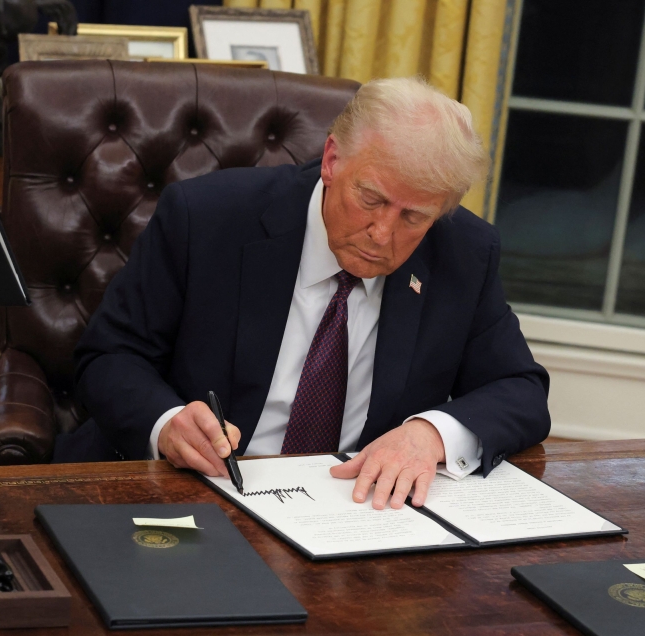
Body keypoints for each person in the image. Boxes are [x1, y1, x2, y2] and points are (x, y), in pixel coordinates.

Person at [70, 76, 550, 508]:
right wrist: (167, 422)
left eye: (413, 216)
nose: (382, 233)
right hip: (194, 493)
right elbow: (109, 355)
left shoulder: (464, 253)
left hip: (355, 510)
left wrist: (430, 434)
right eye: (371, 199)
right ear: (332, 160)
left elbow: (520, 390)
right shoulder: (206, 218)